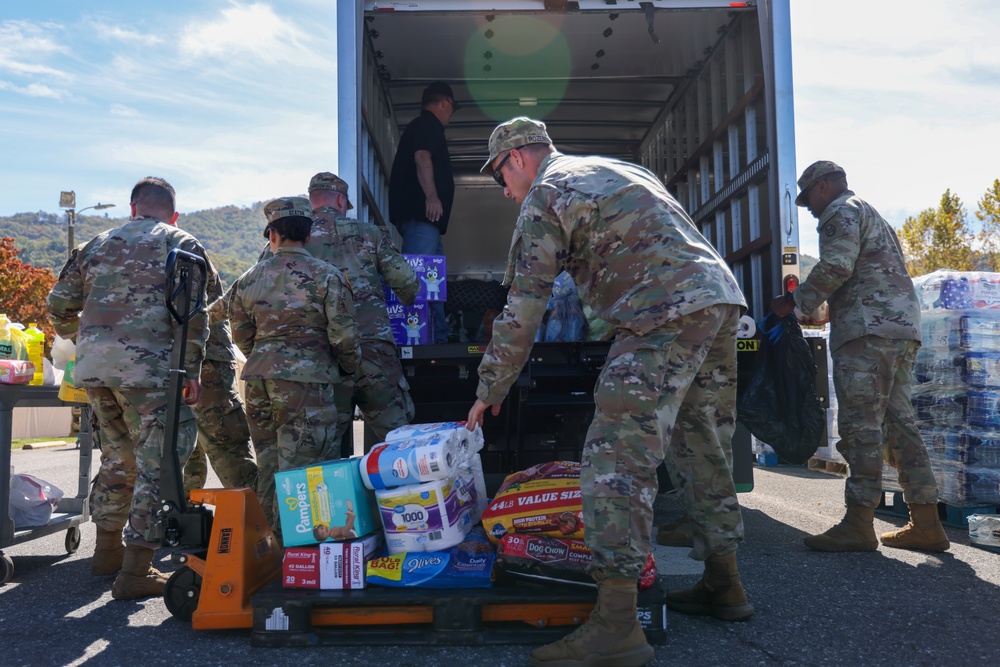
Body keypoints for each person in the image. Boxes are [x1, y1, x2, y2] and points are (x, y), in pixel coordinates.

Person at [468, 118, 753, 667]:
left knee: (615, 457)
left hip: (662, 311)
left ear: (519, 158)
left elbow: (525, 305)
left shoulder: (546, 193)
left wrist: (490, 386)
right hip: (718, 300)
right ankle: (725, 583)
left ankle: (618, 623)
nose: (505, 190)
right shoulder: (618, 168)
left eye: (501, 175)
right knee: (701, 442)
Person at [770, 160, 949, 553]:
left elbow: (836, 265)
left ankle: (858, 523)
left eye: (809, 201)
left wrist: (795, 303)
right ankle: (927, 524)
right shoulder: (871, 213)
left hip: (868, 332)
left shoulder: (839, 210)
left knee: (860, 426)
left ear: (822, 186)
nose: (812, 210)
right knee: (900, 426)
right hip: (899, 329)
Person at [47, 176, 212, 600]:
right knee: (158, 463)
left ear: (132, 208)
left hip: (96, 371)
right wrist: (191, 370)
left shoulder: (94, 244)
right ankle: (137, 570)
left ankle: (106, 555)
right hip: (153, 373)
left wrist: (89, 339)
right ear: (172, 212)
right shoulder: (183, 243)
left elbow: (58, 307)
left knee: (118, 458)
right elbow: (196, 314)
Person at [226, 197, 360, 535]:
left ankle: (268, 553)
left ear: (272, 235)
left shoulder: (248, 279)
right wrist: (346, 368)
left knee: (270, 467)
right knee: (308, 472)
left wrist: (267, 356)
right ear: (309, 234)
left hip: (258, 380)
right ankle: (301, 558)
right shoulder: (326, 276)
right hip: (308, 382)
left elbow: (241, 336)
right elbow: (344, 336)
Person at [299, 172, 419, 455]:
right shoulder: (369, 233)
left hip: (322, 357)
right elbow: (408, 284)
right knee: (399, 439)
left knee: (325, 450)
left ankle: (340, 499)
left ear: (311, 201)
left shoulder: (294, 238)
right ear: (341, 200)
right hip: (373, 350)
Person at [388, 81, 459, 343]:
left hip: (427, 223)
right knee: (418, 282)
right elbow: (422, 157)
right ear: (444, 103)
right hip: (422, 219)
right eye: (452, 108)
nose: (451, 114)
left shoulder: (423, 126)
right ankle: (418, 341)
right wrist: (431, 195)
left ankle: (437, 338)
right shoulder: (428, 125)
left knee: (433, 285)